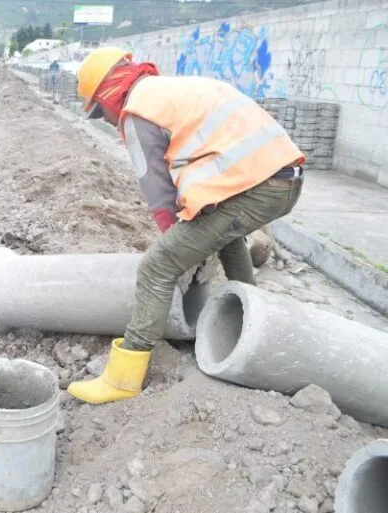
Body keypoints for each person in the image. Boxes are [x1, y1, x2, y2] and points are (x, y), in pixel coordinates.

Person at [67, 47, 305, 405]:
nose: (104, 118)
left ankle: (123, 378)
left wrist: (179, 251)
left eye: (100, 110)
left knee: (157, 266)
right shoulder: (169, 91)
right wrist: (192, 242)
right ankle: (255, 316)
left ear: (110, 93)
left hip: (257, 187)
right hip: (283, 180)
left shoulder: (137, 113)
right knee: (225, 235)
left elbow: (158, 192)